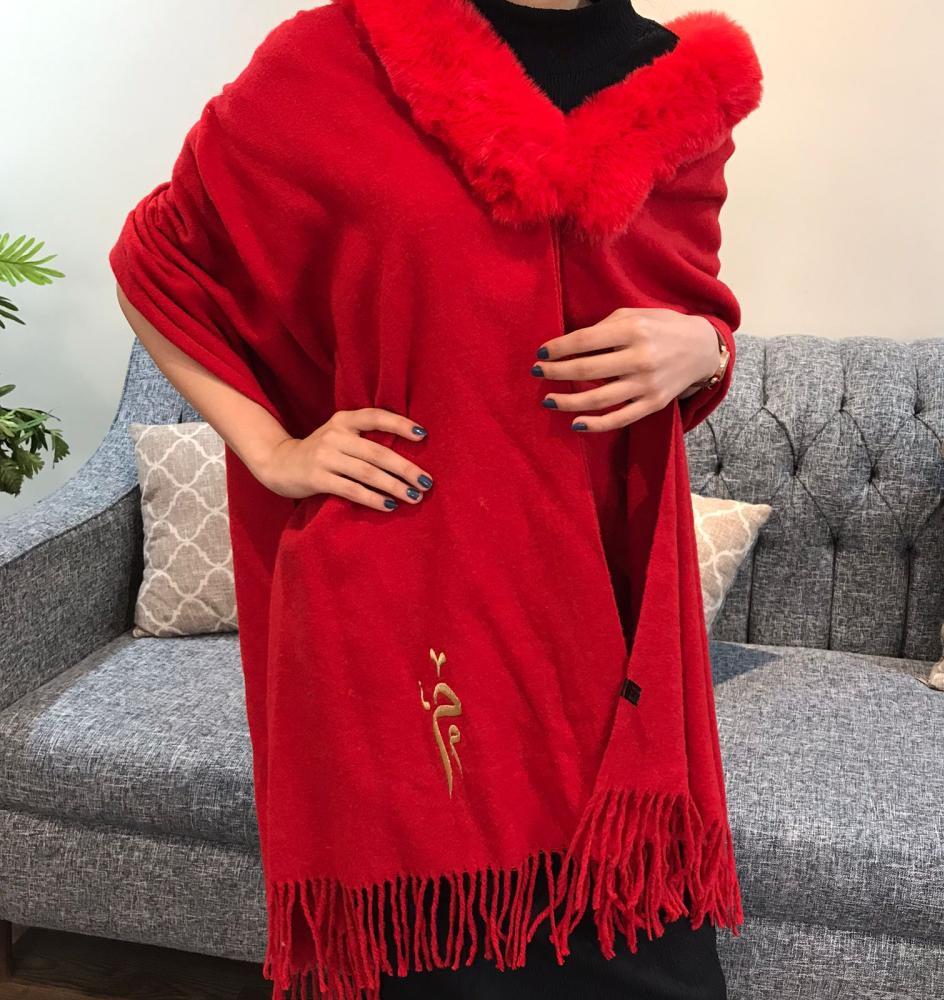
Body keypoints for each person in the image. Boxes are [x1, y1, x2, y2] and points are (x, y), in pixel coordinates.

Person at [110, 1, 763, 997]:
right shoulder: (340, 55)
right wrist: (272, 449)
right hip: (409, 589)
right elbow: (159, 263)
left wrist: (707, 346)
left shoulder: (681, 96)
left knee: (642, 956)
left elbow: (676, 314)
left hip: (603, 607)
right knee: (444, 961)